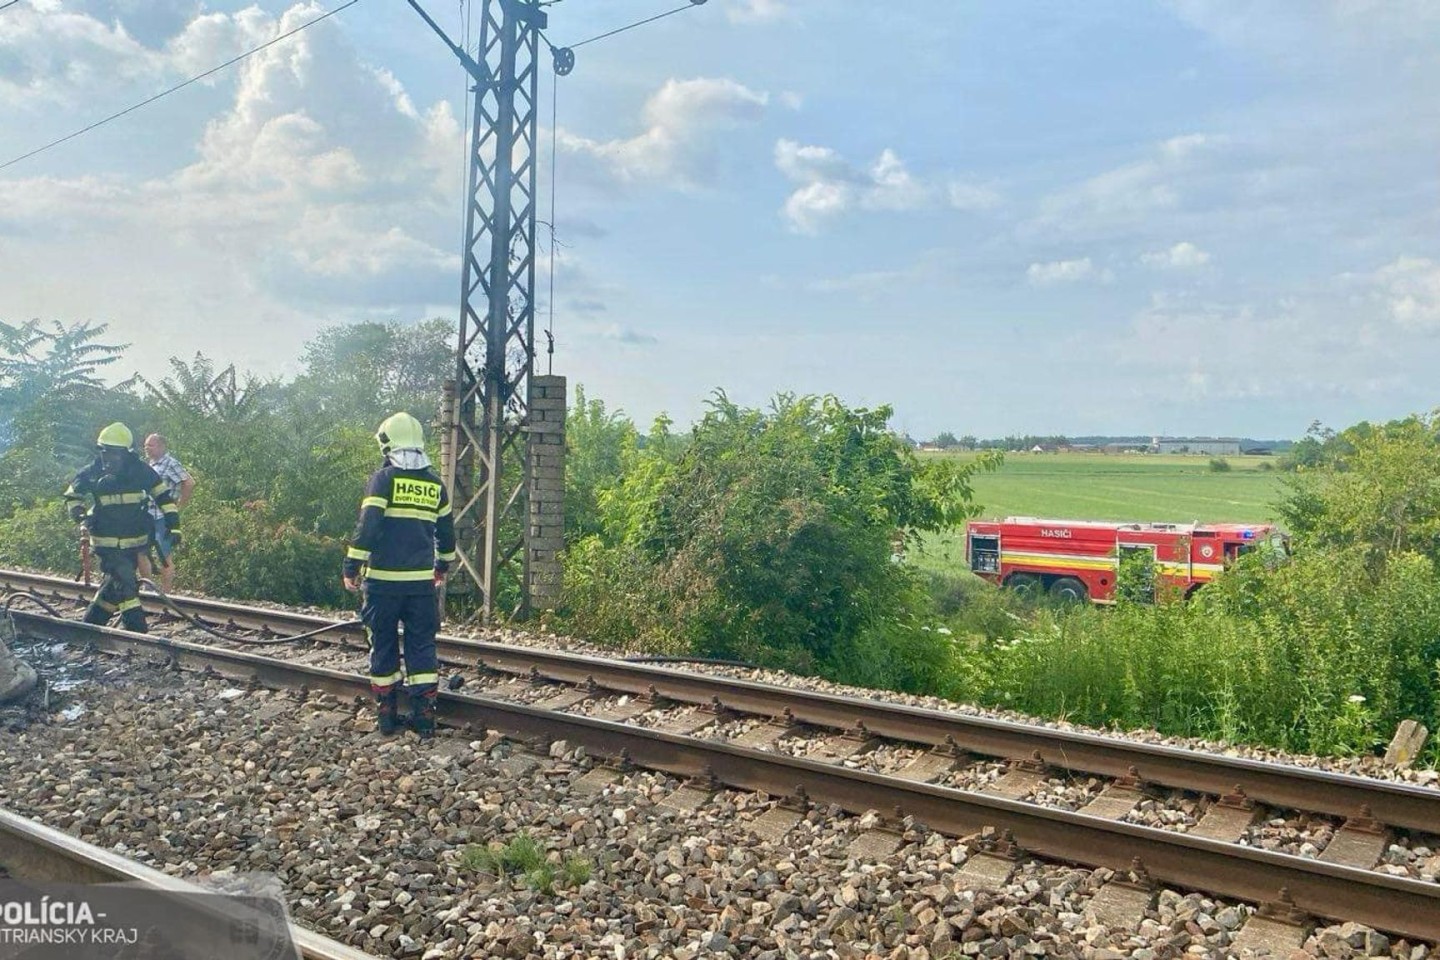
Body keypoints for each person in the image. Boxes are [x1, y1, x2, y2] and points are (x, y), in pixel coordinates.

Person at [342, 412, 455, 738]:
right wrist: (442, 566)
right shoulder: (435, 485)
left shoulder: (383, 480)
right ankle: (424, 718)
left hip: (382, 586)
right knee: (422, 645)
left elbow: (368, 529)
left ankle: (387, 716)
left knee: (383, 644)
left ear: (386, 444)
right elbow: (447, 537)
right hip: (421, 585)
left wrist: (351, 566)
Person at [63, 423, 180, 634]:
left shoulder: (141, 471)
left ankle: (86, 629)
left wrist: (174, 526)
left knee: (113, 589)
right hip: (106, 543)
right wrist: (80, 514)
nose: (109, 458)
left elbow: (163, 497)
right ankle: (139, 636)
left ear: (126, 453)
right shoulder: (92, 471)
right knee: (127, 586)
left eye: (114, 453)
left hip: (135, 544)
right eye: (105, 452)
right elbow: (72, 496)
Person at [137, 433, 194, 593]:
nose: (147, 448)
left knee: (164, 554)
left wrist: (179, 506)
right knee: (142, 551)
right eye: (146, 445)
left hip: (163, 517)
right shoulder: (150, 464)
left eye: (151, 445)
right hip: (147, 515)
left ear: (162, 446)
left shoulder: (171, 463)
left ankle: (166, 593)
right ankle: (147, 588)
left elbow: (188, 482)